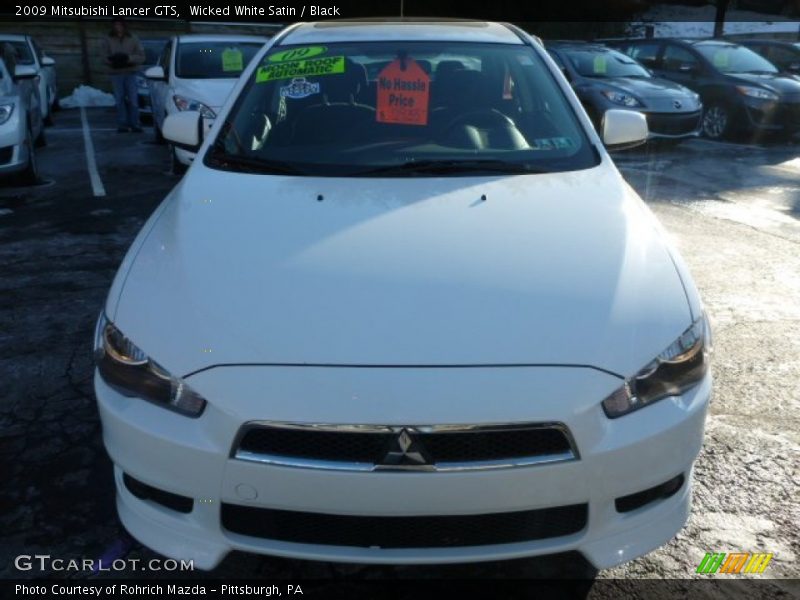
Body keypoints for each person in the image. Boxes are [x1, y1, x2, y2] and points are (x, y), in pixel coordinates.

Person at [102, 17, 145, 133]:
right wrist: (114, 60)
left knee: (133, 99)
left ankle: (135, 124)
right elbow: (103, 56)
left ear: (124, 26)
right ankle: (122, 124)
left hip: (131, 72)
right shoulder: (108, 39)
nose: (118, 27)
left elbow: (141, 56)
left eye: (120, 25)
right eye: (116, 25)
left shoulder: (133, 38)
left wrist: (128, 58)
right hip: (116, 73)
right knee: (119, 99)